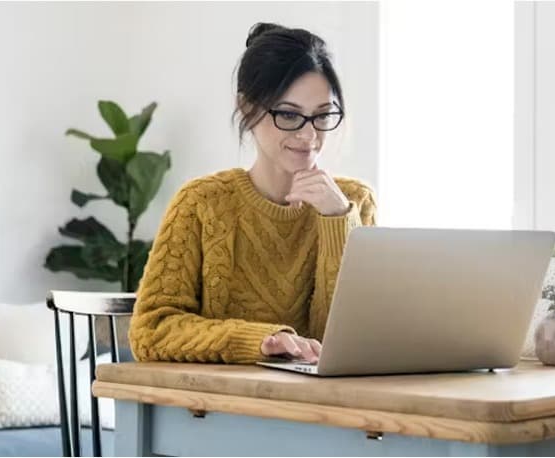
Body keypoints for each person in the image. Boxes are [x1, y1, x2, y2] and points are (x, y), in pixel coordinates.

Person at [128, 22, 377, 364]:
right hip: (218, 396)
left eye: (322, 116)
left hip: (326, 395)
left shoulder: (355, 203)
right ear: (247, 108)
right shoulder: (202, 203)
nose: (309, 135)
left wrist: (338, 222)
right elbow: (151, 330)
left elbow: (355, 342)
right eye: (289, 115)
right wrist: (260, 341)